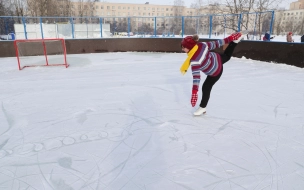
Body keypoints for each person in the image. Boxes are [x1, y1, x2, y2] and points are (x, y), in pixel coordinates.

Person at [180, 31, 246, 116]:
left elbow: (196, 77)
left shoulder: (194, 60)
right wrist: (231, 38)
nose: (182, 49)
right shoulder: (202, 45)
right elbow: (217, 43)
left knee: (206, 87)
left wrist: (194, 93)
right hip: (216, 58)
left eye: (184, 47)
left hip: (215, 72)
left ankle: (203, 107)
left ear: (189, 47)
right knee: (226, 56)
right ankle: (234, 42)